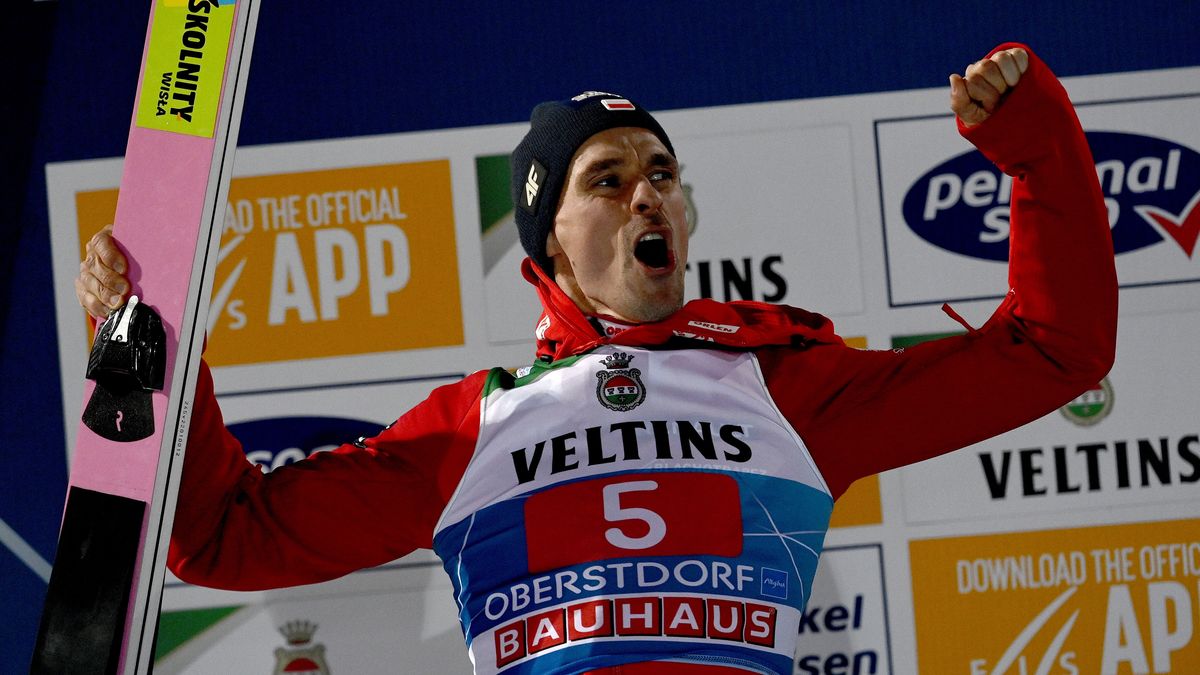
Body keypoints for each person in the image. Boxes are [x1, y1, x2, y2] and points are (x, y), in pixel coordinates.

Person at [77, 43, 1115, 675]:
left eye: (661, 172)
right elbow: (218, 539)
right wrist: (150, 348)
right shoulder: (476, 427)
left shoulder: (788, 384)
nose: (647, 193)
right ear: (550, 245)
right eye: (607, 180)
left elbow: (1054, 352)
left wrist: (1037, 147)